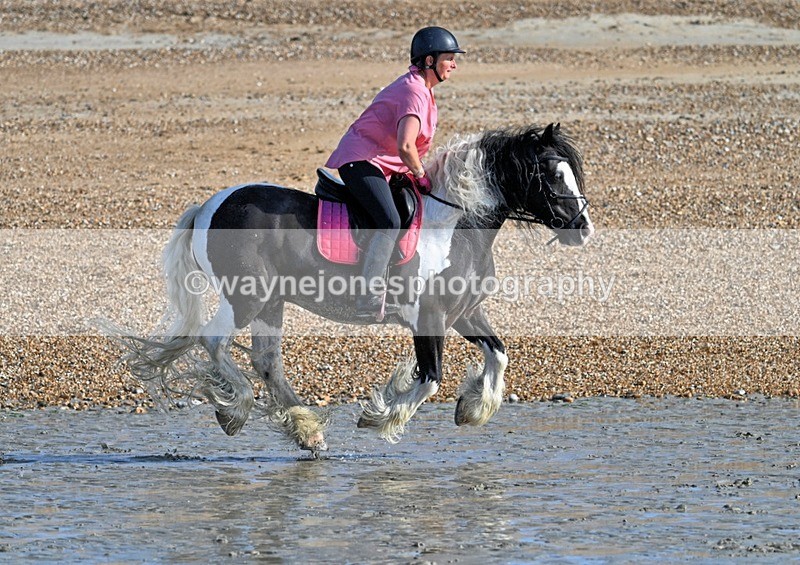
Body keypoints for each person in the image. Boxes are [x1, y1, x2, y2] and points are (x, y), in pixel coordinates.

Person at [326, 26, 465, 319]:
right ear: (429, 61)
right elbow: (405, 145)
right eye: (449, 58)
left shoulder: (423, 89)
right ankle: (368, 297)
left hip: (381, 164)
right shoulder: (414, 91)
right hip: (361, 161)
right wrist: (421, 174)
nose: (454, 64)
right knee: (389, 220)